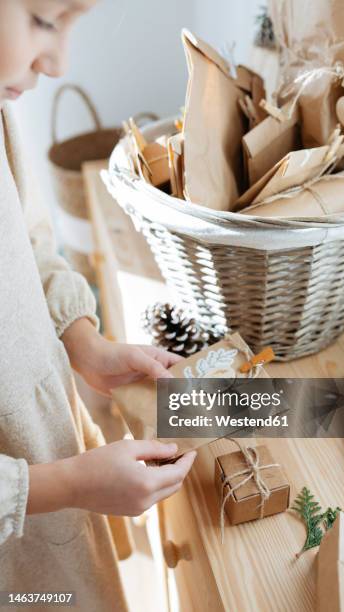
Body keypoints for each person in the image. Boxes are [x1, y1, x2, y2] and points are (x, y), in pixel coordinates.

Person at [0, 1, 196, 609]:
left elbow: (26, 239)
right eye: (43, 19)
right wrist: (57, 485)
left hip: (47, 471)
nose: (57, 63)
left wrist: (83, 341)